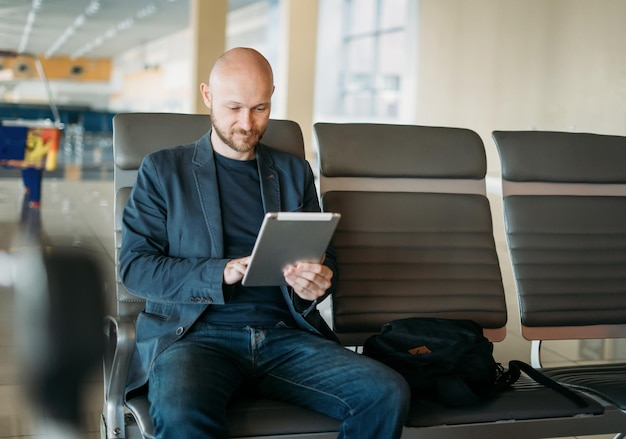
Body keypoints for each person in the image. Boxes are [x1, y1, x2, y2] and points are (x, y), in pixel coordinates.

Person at [120, 47, 410, 439]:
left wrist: (317, 283)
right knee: (181, 411)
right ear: (207, 96)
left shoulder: (292, 172)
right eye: (234, 107)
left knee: (385, 393)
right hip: (194, 338)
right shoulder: (163, 170)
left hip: (284, 335)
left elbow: (327, 260)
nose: (247, 123)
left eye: (260, 108)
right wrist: (219, 271)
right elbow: (134, 268)